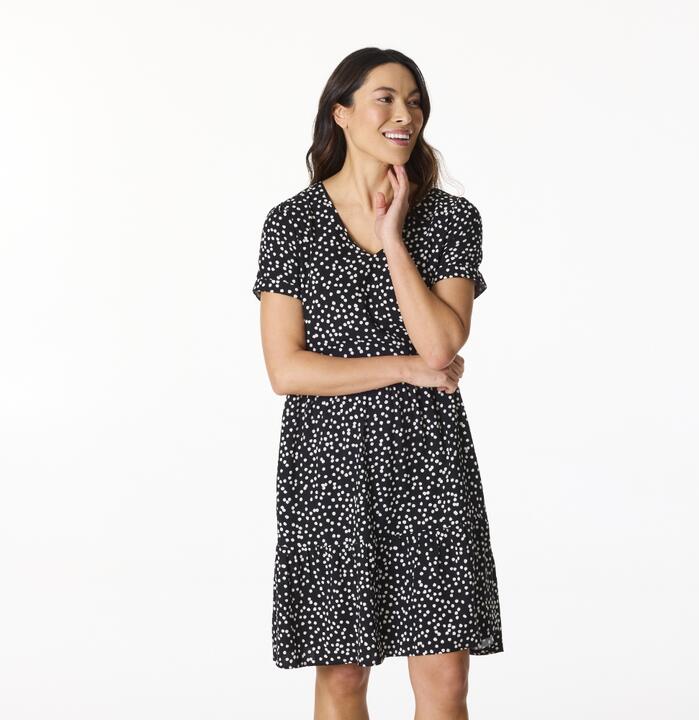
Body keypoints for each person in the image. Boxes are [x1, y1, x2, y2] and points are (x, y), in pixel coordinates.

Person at [252, 47, 503, 720]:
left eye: (415, 101)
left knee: (446, 679)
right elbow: (286, 370)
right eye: (385, 99)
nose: (405, 114)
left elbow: (441, 344)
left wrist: (394, 238)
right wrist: (404, 369)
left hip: (429, 466)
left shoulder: (449, 219)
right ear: (341, 113)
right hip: (328, 470)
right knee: (341, 677)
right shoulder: (292, 224)